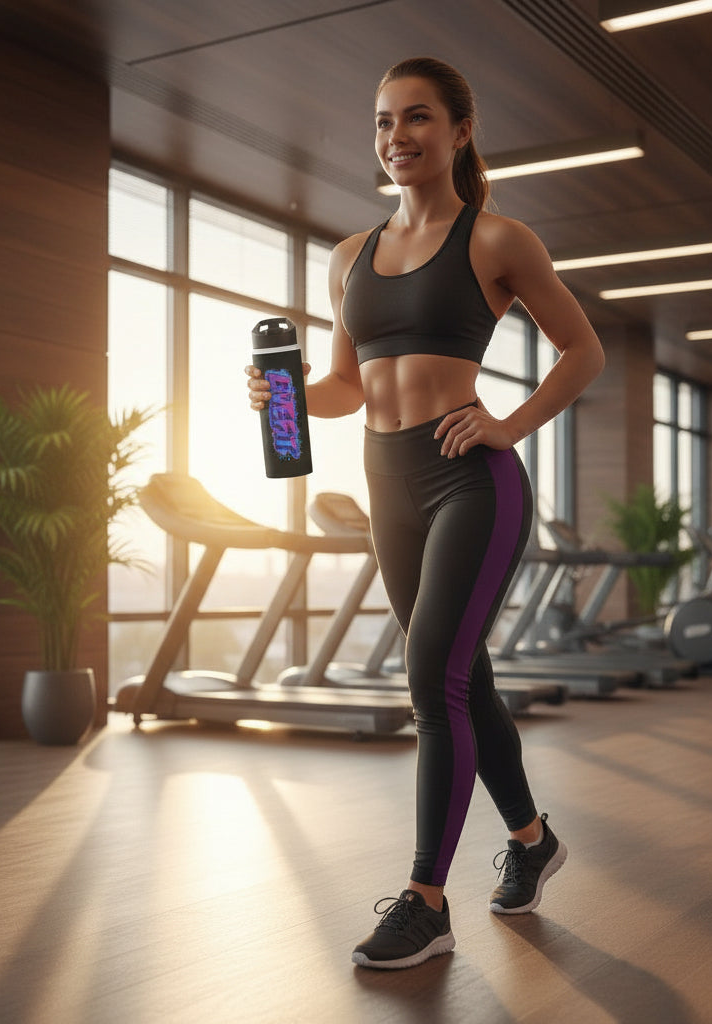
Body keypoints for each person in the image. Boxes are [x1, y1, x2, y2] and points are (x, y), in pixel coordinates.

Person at [245, 56, 605, 970]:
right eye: (381, 123)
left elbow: (583, 350)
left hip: (470, 481)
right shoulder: (347, 257)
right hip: (386, 479)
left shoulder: (497, 240)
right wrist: (278, 393)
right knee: (461, 679)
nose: (395, 137)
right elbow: (338, 387)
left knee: (429, 684)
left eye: (415, 119)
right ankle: (532, 843)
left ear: (458, 131)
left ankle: (425, 899)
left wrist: (509, 421)